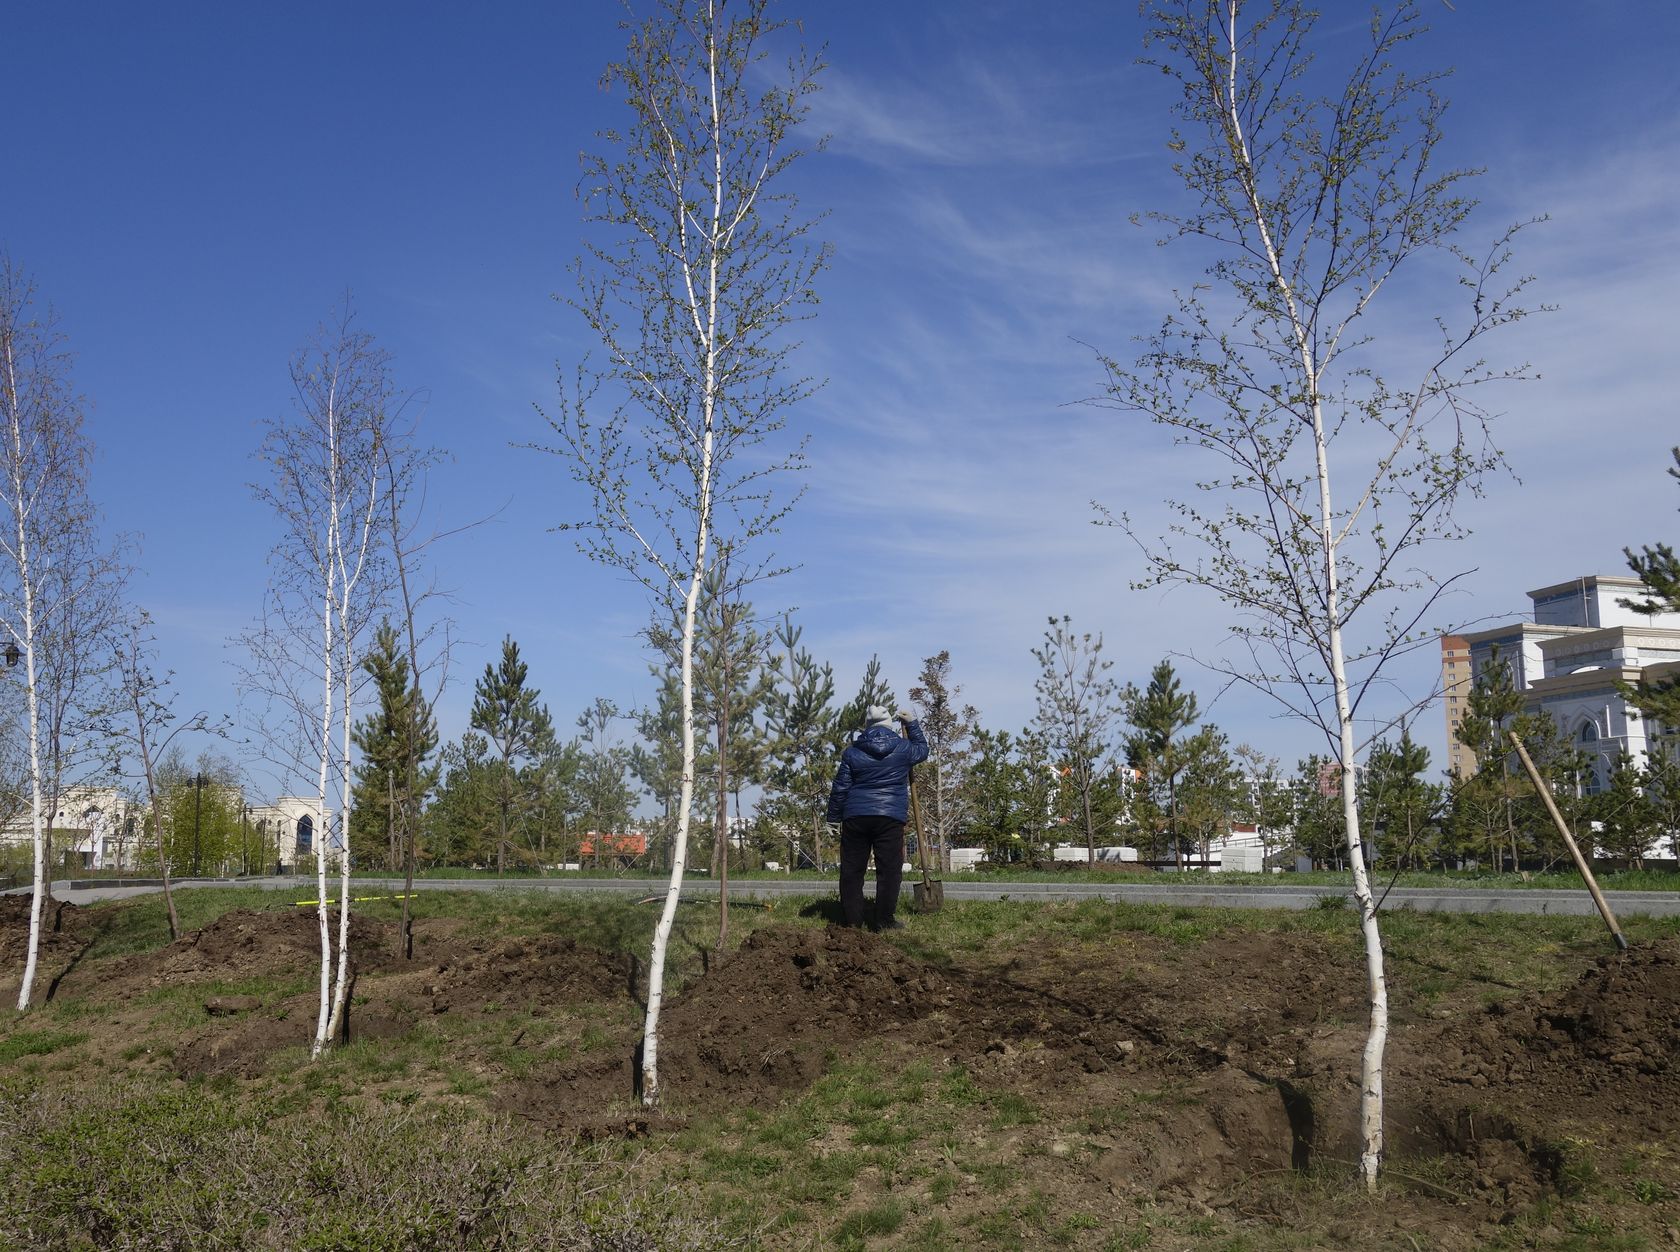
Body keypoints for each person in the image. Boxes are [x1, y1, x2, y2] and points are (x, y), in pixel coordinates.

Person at [825, 705, 927, 930]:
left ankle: (853, 921)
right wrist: (912, 724)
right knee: (889, 871)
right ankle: (884, 921)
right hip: (890, 816)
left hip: (856, 816)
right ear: (889, 724)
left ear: (867, 726)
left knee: (852, 871)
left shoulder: (852, 752)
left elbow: (840, 787)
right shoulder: (904, 748)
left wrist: (833, 817)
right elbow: (923, 749)